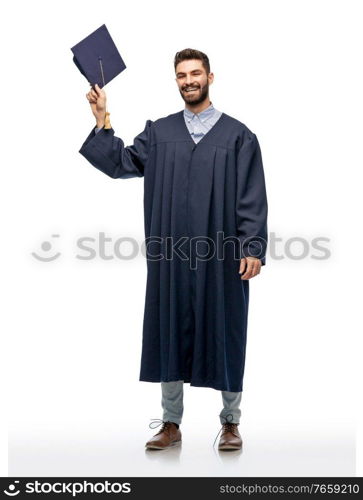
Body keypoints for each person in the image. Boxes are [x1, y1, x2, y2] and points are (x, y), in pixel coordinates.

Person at [80, 48, 268, 451]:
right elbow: (120, 163)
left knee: (227, 329)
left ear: (210, 78)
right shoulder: (160, 132)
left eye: (195, 73)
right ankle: (170, 423)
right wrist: (101, 120)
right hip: (170, 257)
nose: (189, 81)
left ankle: (231, 423)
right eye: (182, 75)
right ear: (176, 81)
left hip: (221, 257)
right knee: (169, 329)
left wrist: (252, 246)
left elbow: (251, 195)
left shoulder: (238, 136)